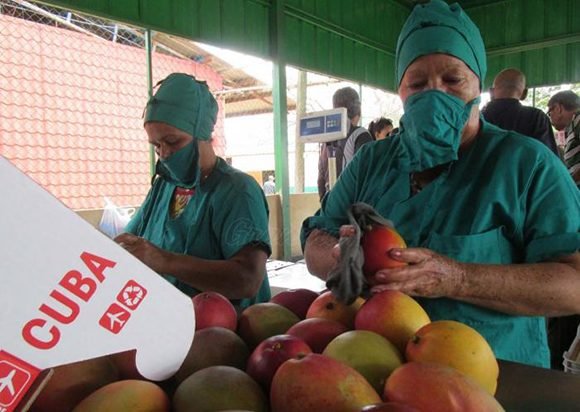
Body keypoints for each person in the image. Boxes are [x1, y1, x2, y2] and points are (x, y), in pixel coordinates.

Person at [301, 0, 580, 368]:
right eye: (417, 84)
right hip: (377, 372)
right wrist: (338, 257)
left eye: (452, 80)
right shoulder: (372, 162)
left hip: (493, 377)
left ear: (479, 84)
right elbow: (314, 240)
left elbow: (573, 284)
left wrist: (456, 278)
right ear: (400, 90)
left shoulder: (526, 165)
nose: (434, 95)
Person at [115, 73, 272, 309]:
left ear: (202, 134)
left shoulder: (237, 190)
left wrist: (165, 261)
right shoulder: (164, 186)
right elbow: (131, 245)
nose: (164, 153)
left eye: (173, 141)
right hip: (171, 326)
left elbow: (247, 279)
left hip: (229, 334)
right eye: (156, 145)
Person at [482, 68, 559, 156]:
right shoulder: (536, 118)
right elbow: (549, 160)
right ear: (524, 93)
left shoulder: (477, 118)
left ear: (491, 92)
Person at [317, 87, 373, 200]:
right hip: (353, 205)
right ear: (358, 110)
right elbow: (367, 175)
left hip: (330, 203)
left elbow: (321, 178)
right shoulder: (360, 135)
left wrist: (325, 204)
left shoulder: (326, 140)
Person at [548, 90, 580, 186]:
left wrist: (568, 182)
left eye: (550, 113)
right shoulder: (573, 125)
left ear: (558, 108)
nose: (550, 118)